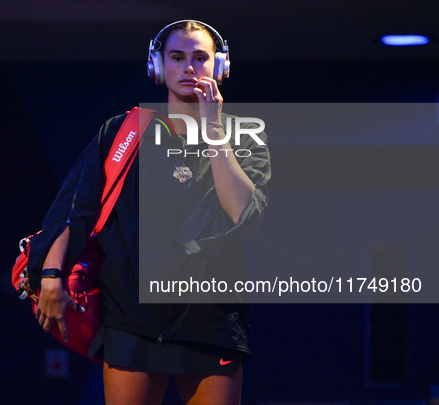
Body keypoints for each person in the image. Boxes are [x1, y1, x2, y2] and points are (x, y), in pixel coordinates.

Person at [26, 20, 270, 405]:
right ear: (157, 67)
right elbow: (76, 208)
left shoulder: (243, 135)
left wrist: (214, 129)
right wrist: (52, 275)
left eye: (200, 58)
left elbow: (243, 216)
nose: (189, 67)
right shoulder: (122, 132)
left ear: (219, 68)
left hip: (210, 319)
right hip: (130, 318)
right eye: (177, 57)